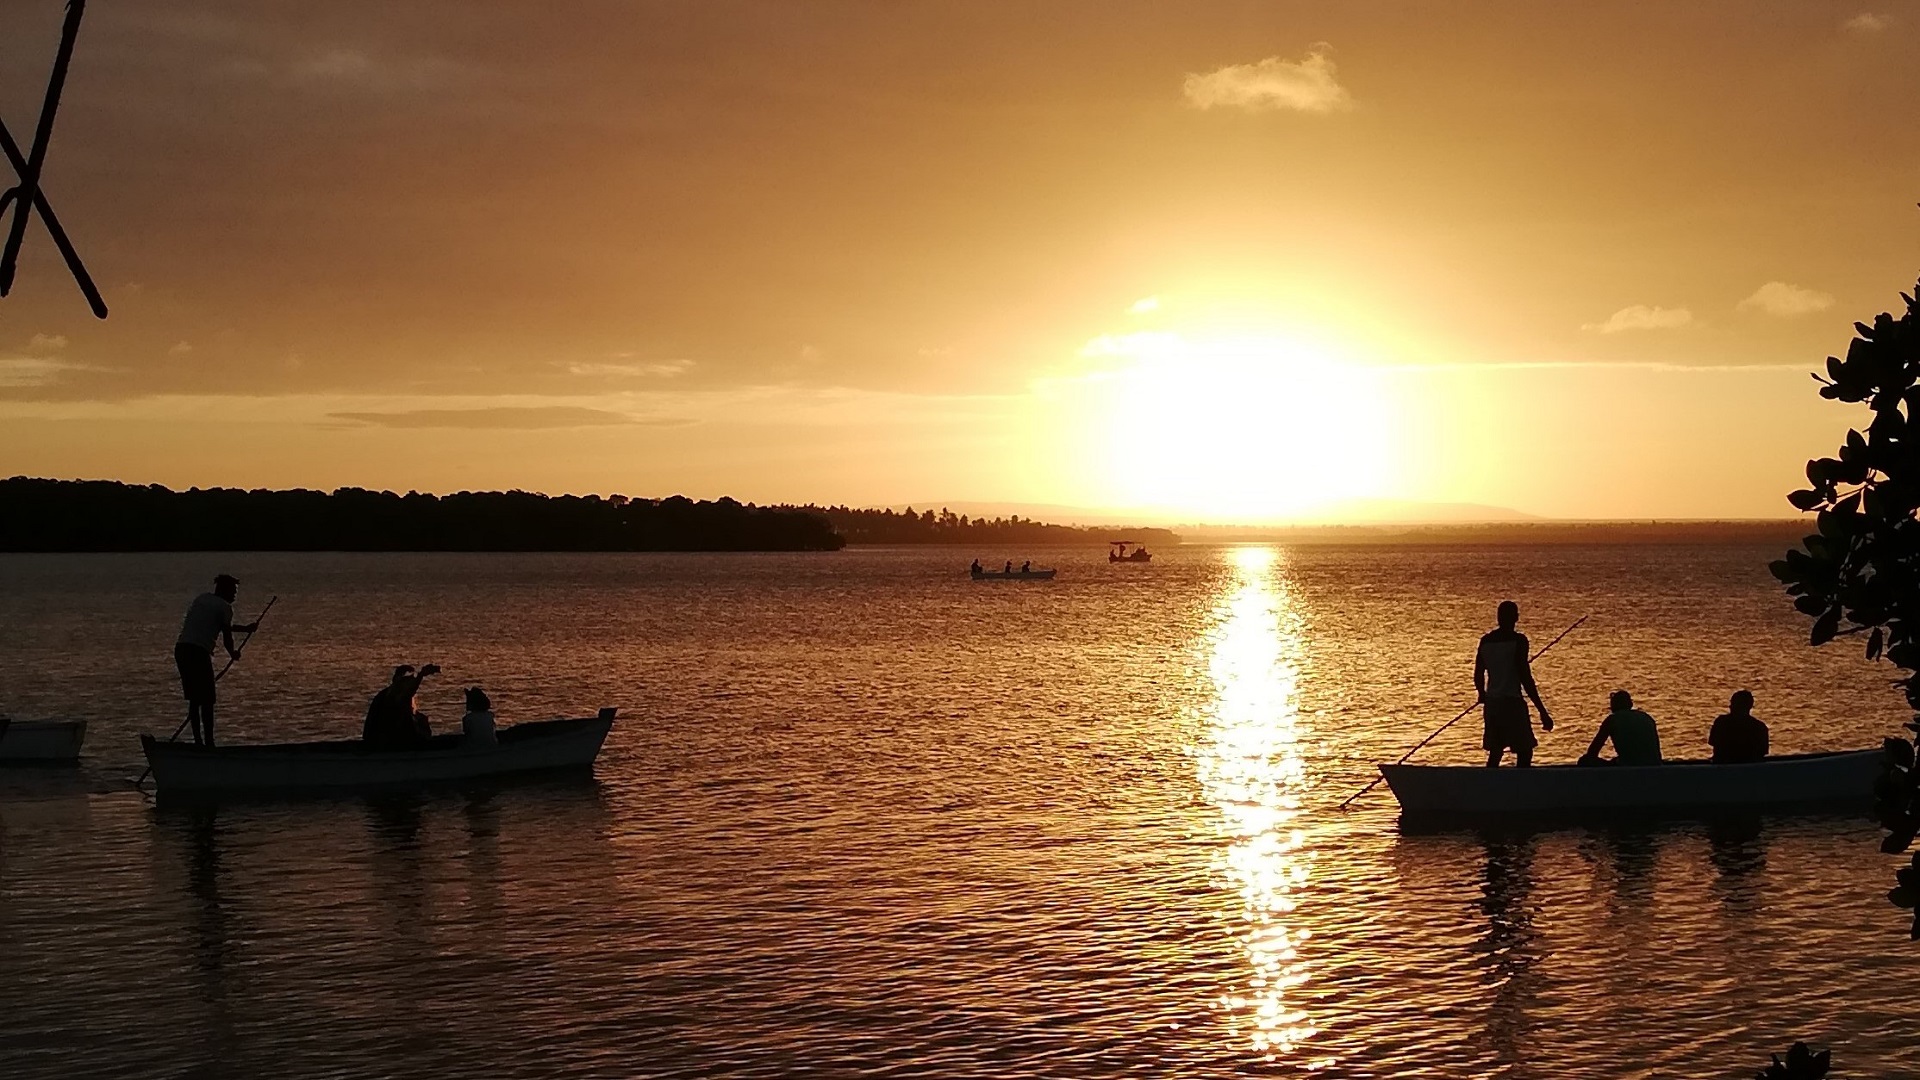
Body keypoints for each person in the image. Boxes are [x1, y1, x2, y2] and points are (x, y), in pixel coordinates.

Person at [173, 574, 259, 747]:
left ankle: (198, 742)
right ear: (224, 590)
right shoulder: (225, 607)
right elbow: (226, 636)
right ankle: (209, 743)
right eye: (233, 591)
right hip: (198, 652)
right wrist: (232, 653)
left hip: (181, 649)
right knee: (207, 700)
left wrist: (246, 629)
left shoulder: (202, 599)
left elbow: (217, 625)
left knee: (194, 699)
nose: (235, 595)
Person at [1474, 600, 1553, 767]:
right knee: (1525, 750)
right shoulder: (1519, 641)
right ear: (1515, 618)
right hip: (1512, 703)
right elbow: (1525, 677)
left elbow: (1478, 673)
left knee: (1496, 751)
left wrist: (1482, 694)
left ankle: (1489, 784)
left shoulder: (1486, 642)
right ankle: (1522, 786)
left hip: (1492, 705)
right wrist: (1542, 711)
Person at [363, 663, 440, 750]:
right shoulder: (393, 696)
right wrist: (420, 676)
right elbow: (407, 694)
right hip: (386, 742)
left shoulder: (389, 693)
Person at [1581, 690, 1664, 766]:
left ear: (1613, 706)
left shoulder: (1612, 720)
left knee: (1585, 760)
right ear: (1630, 704)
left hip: (1629, 766)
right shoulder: (1646, 717)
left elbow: (1592, 752)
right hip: (1655, 764)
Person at [1709, 689, 1769, 764]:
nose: (1730, 706)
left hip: (1723, 769)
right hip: (1751, 770)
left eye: (1732, 703)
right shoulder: (1760, 727)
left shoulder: (1721, 722)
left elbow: (1713, 743)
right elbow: (1762, 753)